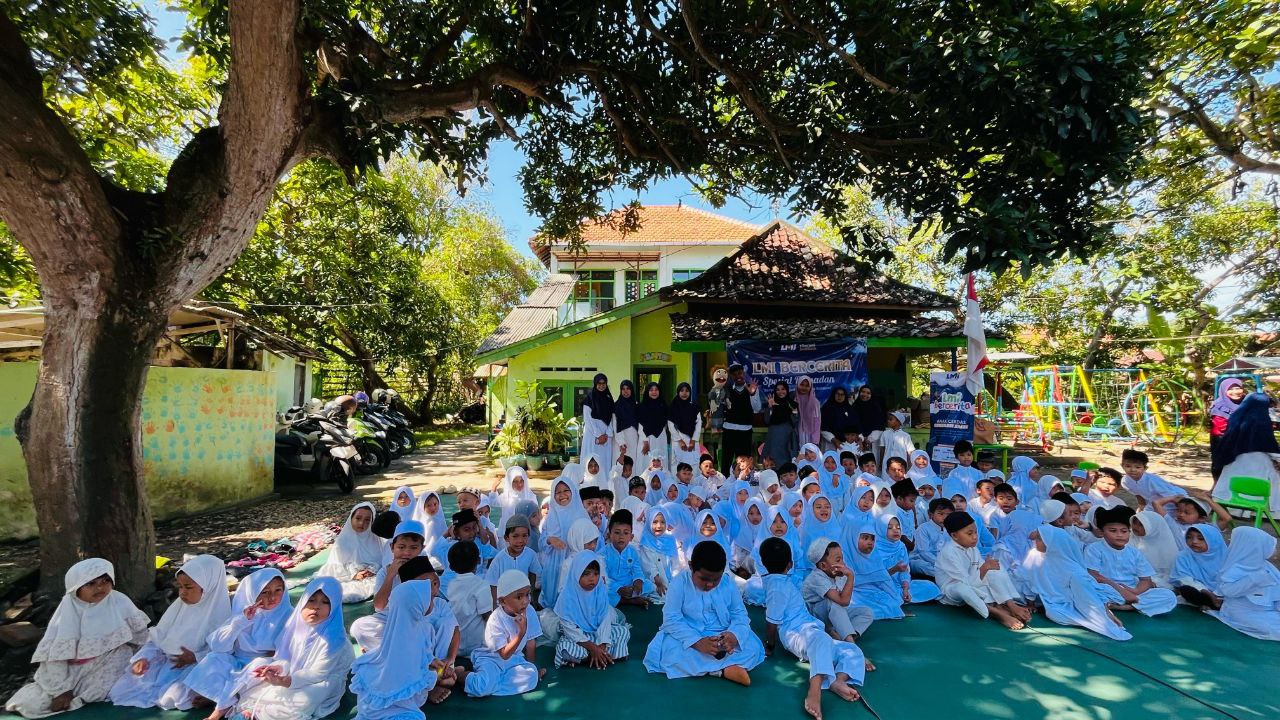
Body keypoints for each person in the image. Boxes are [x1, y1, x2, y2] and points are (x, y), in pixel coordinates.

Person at [7, 559, 150, 719]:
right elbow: (55, 657)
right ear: (76, 588)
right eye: (91, 583)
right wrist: (62, 691)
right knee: (32, 704)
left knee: (116, 676)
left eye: (106, 581)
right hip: (70, 670)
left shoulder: (119, 601)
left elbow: (140, 636)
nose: (100, 587)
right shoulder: (67, 611)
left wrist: (143, 657)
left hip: (108, 662)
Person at [759, 537, 865, 719]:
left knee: (852, 650)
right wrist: (770, 645)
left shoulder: (782, 581)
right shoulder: (777, 587)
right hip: (794, 633)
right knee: (821, 639)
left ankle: (837, 681)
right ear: (791, 564)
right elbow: (772, 621)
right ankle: (815, 691)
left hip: (809, 627)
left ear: (762, 562)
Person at [109, 555, 231, 710]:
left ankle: (209, 695)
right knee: (121, 689)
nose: (182, 593)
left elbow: (224, 653)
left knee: (176, 696)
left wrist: (196, 657)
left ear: (208, 586)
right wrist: (144, 658)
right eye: (179, 587)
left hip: (197, 667)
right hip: (168, 663)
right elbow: (158, 638)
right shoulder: (178, 608)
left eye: (188, 587)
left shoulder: (222, 615)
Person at [222, 578, 353, 720]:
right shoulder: (293, 626)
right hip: (291, 675)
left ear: (334, 607)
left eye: (325, 602)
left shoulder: (335, 639)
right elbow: (284, 657)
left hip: (322, 678)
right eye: (312, 600)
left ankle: (260, 714)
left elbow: (318, 673)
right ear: (303, 602)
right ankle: (252, 710)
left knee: (308, 697)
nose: (316, 607)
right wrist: (278, 668)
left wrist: (284, 681)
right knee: (255, 677)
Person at [643, 540, 766, 684]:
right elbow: (671, 619)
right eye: (704, 579)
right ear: (691, 567)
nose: (710, 584)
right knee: (669, 653)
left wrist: (733, 636)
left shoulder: (728, 583)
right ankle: (723, 670)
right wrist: (697, 642)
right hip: (689, 634)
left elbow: (740, 615)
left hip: (723, 633)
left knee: (753, 648)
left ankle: (712, 668)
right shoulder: (679, 583)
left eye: (716, 579)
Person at [179, 568, 291, 719]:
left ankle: (219, 710)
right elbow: (219, 646)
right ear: (252, 593)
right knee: (214, 659)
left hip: (264, 666)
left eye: (278, 590)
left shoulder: (288, 614)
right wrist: (241, 622)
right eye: (264, 592)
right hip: (238, 663)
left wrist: (272, 659)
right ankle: (225, 697)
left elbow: (287, 648)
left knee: (259, 666)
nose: (272, 597)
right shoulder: (244, 614)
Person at [350, 580, 446, 720]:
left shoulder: (419, 628)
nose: (433, 602)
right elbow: (415, 675)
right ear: (415, 606)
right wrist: (437, 673)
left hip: (374, 706)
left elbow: (420, 658)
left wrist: (432, 661)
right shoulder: (415, 633)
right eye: (430, 599)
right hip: (393, 708)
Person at [1028, 526, 1131, 640]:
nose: (1035, 541)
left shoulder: (1073, 571)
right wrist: (1030, 602)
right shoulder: (1035, 556)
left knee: (1055, 613)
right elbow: (1029, 579)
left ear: (1052, 543)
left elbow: (1088, 599)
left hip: (1071, 600)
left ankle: (1107, 610)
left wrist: (1106, 617)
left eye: (1039, 539)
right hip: (1047, 600)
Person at [935, 512, 1030, 630]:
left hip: (973, 583)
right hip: (952, 590)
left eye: (975, 532)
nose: (975, 537)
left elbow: (980, 572)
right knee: (964, 588)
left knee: (996, 569)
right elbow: (966, 582)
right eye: (969, 533)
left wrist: (986, 567)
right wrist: (984, 568)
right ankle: (997, 613)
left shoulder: (972, 548)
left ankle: (1010, 605)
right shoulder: (949, 552)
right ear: (954, 536)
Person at [457, 570, 544, 697]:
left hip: (514, 659)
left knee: (531, 676)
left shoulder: (529, 611)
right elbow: (504, 654)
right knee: (482, 687)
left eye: (528, 594)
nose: (525, 601)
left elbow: (530, 643)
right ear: (502, 601)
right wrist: (521, 633)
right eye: (519, 597)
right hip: (491, 659)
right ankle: (460, 674)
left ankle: (489, 683)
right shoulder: (496, 619)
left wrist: (533, 667)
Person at [1084, 506, 1178, 617]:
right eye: (1113, 531)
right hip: (1107, 587)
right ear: (1102, 532)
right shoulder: (1094, 548)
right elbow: (1094, 576)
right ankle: (1134, 604)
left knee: (1168, 595)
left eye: (1124, 531)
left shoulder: (1134, 552)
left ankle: (1123, 606)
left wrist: (1135, 592)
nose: (1119, 535)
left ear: (1129, 532)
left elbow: (1146, 580)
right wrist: (1122, 591)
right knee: (1090, 590)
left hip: (1131, 589)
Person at [350, 520, 425, 652]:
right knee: (358, 627)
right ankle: (393, 653)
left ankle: (387, 652)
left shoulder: (426, 571)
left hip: (417, 619)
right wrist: (390, 576)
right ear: (392, 548)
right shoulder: (385, 572)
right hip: (389, 618)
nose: (407, 553)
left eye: (413, 548)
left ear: (421, 549)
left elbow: (429, 606)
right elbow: (379, 606)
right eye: (401, 547)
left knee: (440, 624)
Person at [553, 551, 632, 668]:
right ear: (576, 574)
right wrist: (592, 647)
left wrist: (602, 644)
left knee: (622, 632)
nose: (592, 579)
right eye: (586, 574)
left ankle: (594, 656)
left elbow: (605, 620)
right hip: (579, 638)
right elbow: (570, 629)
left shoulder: (600, 592)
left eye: (596, 574)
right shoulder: (567, 597)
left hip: (598, 634)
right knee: (564, 647)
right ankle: (602, 656)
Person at [1209, 527, 1280, 641]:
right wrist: (1254, 580)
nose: (1275, 550)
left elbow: (1277, 592)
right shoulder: (1234, 566)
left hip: (1268, 610)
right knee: (1272, 629)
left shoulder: (1268, 567)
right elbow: (1228, 591)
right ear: (1255, 546)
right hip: (1240, 611)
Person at [1211, 392, 1280, 508]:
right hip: (1259, 461)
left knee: (1232, 485)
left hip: (1234, 459)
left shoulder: (1236, 417)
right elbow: (1267, 443)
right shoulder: (1261, 421)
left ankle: (1230, 506)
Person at [801, 539, 875, 642]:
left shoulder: (838, 575)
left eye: (842, 559)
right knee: (835, 604)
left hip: (833, 615)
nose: (843, 563)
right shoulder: (816, 577)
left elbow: (845, 600)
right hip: (816, 616)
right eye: (838, 560)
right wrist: (851, 576)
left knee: (866, 612)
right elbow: (843, 601)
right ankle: (851, 645)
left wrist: (848, 577)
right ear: (823, 566)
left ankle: (846, 636)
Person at [539, 477, 590, 607]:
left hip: (576, 563)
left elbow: (592, 539)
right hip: (554, 566)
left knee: (574, 601)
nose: (562, 495)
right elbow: (541, 543)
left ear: (573, 491)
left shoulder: (581, 515)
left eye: (566, 490)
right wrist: (550, 540)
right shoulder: (551, 517)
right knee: (554, 602)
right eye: (558, 492)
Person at [319, 502, 384, 603]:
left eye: (367, 520)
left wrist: (372, 570)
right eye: (358, 518)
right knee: (346, 594)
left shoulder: (376, 540)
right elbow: (334, 568)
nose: (361, 523)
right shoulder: (342, 541)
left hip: (372, 577)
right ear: (351, 518)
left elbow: (382, 561)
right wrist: (353, 574)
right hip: (350, 577)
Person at [485, 514, 543, 606]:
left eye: (524, 536)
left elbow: (533, 573)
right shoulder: (500, 559)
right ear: (506, 538)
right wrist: (495, 607)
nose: (520, 540)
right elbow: (493, 584)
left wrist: (531, 597)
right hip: (505, 601)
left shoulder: (531, 554)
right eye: (515, 536)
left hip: (524, 600)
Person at [601, 509, 656, 605]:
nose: (621, 537)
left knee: (649, 585)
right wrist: (618, 589)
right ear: (609, 535)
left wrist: (638, 581)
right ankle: (628, 600)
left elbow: (637, 569)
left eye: (626, 533)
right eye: (617, 532)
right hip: (612, 587)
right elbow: (604, 578)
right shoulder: (603, 553)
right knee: (601, 592)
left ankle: (627, 597)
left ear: (631, 536)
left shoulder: (633, 551)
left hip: (629, 585)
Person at [719, 364, 762, 477]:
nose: (738, 376)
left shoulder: (751, 388)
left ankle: (743, 487)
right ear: (731, 376)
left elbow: (757, 408)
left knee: (744, 462)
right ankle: (725, 486)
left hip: (745, 431)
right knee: (726, 461)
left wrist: (752, 393)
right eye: (734, 374)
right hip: (729, 429)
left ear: (743, 374)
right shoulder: (725, 389)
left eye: (740, 373)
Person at [1172, 524, 1228, 609]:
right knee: (1186, 589)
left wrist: (1218, 594)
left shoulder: (1226, 556)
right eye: (1189, 537)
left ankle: (1217, 603)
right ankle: (1210, 603)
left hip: (1223, 593)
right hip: (1201, 592)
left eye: (1201, 538)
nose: (1194, 541)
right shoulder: (1184, 555)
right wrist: (1205, 591)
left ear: (1213, 540)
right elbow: (1184, 577)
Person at [1120, 449, 1185, 515]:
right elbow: (1138, 495)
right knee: (1142, 517)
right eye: (1128, 466)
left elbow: (1174, 497)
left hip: (1172, 500)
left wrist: (1182, 511)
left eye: (1138, 467)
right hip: (1153, 502)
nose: (1133, 470)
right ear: (1122, 466)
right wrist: (1141, 507)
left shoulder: (1152, 480)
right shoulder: (1125, 481)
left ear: (1145, 468)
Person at [1128, 510, 1178, 588]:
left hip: (1155, 580)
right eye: (1134, 523)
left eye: (1141, 524)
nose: (1135, 527)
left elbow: (1167, 574)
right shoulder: (1129, 539)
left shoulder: (1165, 546)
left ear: (1153, 527)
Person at [582, 373, 616, 483]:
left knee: (604, 462)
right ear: (595, 384)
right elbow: (588, 419)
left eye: (604, 383)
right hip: (593, 436)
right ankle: (590, 485)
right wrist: (598, 435)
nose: (601, 386)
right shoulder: (589, 399)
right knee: (592, 461)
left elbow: (612, 417)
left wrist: (607, 434)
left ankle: (604, 486)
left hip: (606, 437)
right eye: (599, 383)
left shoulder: (609, 398)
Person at [763, 380, 799, 469]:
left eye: (783, 389)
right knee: (773, 463)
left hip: (787, 439)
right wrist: (770, 407)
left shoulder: (791, 403)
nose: (780, 392)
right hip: (774, 439)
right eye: (778, 390)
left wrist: (794, 410)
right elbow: (767, 421)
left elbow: (795, 422)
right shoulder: (772, 403)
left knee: (786, 464)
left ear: (787, 390)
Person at [669, 381, 704, 471]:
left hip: (692, 441)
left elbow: (698, 424)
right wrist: (680, 441)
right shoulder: (673, 407)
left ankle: (692, 484)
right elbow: (671, 425)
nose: (684, 393)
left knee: (693, 464)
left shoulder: (694, 407)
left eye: (687, 391)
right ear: (678, 392)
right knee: (677, 465)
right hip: (678, 441)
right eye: (682, 390)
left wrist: (693, 440)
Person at [637, 381, 670, 473]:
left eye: (656, 390)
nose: (654, 392)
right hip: (646, 439)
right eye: (651, 390)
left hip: (660, 437)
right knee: (646, 462)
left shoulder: (664, 406)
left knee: (660, 461)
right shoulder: (641, 406)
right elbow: (640, 425)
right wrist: (646, 442)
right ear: (647, 392)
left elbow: (666, 424)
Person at [1208, 378, 1247, 455]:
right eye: (1230, 389)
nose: (1235, 392)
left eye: (1238, 388)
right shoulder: (1219, 406)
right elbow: (1223, 427)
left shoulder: (1245, 403)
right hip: (1223, 441)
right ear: (1224, 390)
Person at [612, 379, 641, 469]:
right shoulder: (616, 406)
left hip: (633, 438)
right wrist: (621, 443)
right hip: (620, 439)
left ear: (631, 390)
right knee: (619, 464)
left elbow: (640, 424)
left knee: (632, 463)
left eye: (628, 388)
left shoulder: (637, 405)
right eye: (623, 389)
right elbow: (615, 424)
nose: (625, 391)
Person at [877, 412, 914, 477]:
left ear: (898, 422)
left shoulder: (905, 436)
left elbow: (909, 452)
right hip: (886, 462)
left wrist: (909, 466)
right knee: (887, 482)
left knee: (900, 480)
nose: (888, 421)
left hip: (901, 463)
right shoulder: (885, 434)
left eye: (891, 419)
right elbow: (882, 450)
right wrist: (881, 463)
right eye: (888, 419)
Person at [820, 386, 855, 453]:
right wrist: (834, 440)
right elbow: (823, 428)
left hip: (848, 444)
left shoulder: (850, 409)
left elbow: (856, 426)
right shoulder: (826, 409)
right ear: (833, 395)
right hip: (830, 444)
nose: (840, 396)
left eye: (842, 394)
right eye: (837, 394)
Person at [794, 376, 823, 449]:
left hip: (810, 437)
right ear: (798, 385)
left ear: (810, 387)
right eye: (802, 384)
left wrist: (815, 441)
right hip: (794, 436)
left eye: (807, 386)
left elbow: (817, 422)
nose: (804, 387)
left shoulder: (814, 402)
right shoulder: (794, 400)